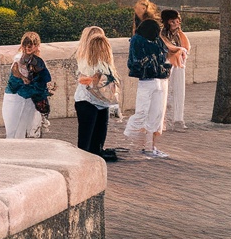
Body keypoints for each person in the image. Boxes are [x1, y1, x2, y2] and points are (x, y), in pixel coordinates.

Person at [125, 18, 172, 158]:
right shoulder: (137, 40)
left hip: (158, 79)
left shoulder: (157, 41)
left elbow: (164, 54)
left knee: (156, 114)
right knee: (142, 111)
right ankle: (129, 137)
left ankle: (150, 147)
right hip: (146, 81)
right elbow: (135, 61)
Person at [75, 26, 120, 162]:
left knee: (98, 140)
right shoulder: (85, 61)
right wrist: (93, 78)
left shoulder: (105, 63)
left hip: (102, 102)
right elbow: (82, 79)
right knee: (85, 141)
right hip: (87, 102)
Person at [2, 32, 50, 139]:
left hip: (29, 100)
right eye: (26, 44)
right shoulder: (19, 57)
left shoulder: (38, 61)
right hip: (15, 98)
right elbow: (15, 68)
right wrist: (22, 77)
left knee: (26, 131)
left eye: (32, 44)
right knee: (13, 131)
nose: (29, 46)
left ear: (37, 45)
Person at [161, 9, 192, 131]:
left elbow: (186, 47)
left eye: (177, 21)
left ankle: (178, 119)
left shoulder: (180, 34)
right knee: (165, 92)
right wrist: (179, 50)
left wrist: (182, 51)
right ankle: (163, 120)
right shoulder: (162, 34)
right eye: (173, 21)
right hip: (166, 64)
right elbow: (168, 47)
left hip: (178, 64)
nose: (176, 23)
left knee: (179, 91)